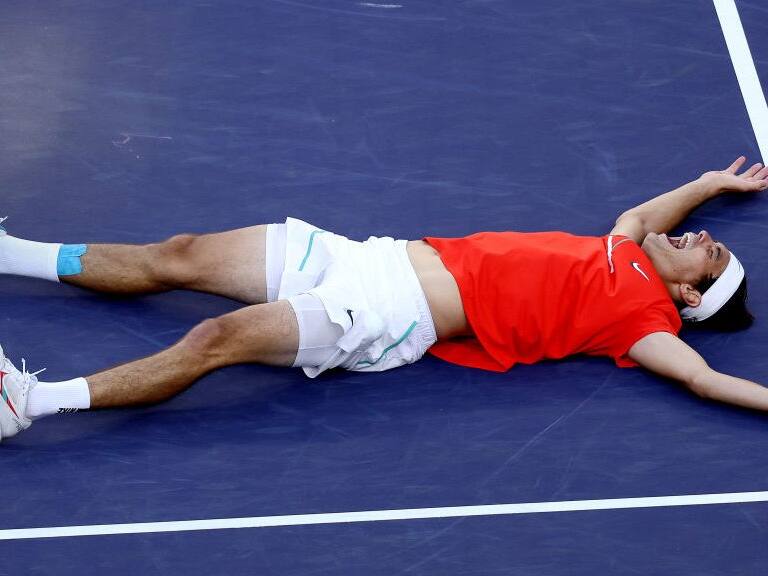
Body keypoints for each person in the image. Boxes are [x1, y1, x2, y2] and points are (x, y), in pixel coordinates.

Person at [1, 156, 768, 441]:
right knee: (179, 256)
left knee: (214, 340)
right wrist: (708, 185)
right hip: (366, 256)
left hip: (387, 317)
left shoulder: (643, 321)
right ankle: (10, 253)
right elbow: (646, 217)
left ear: (692, 296)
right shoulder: (625, 247)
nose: (699, 235)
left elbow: (701, 377)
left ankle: (32, 404)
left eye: (711, 250)